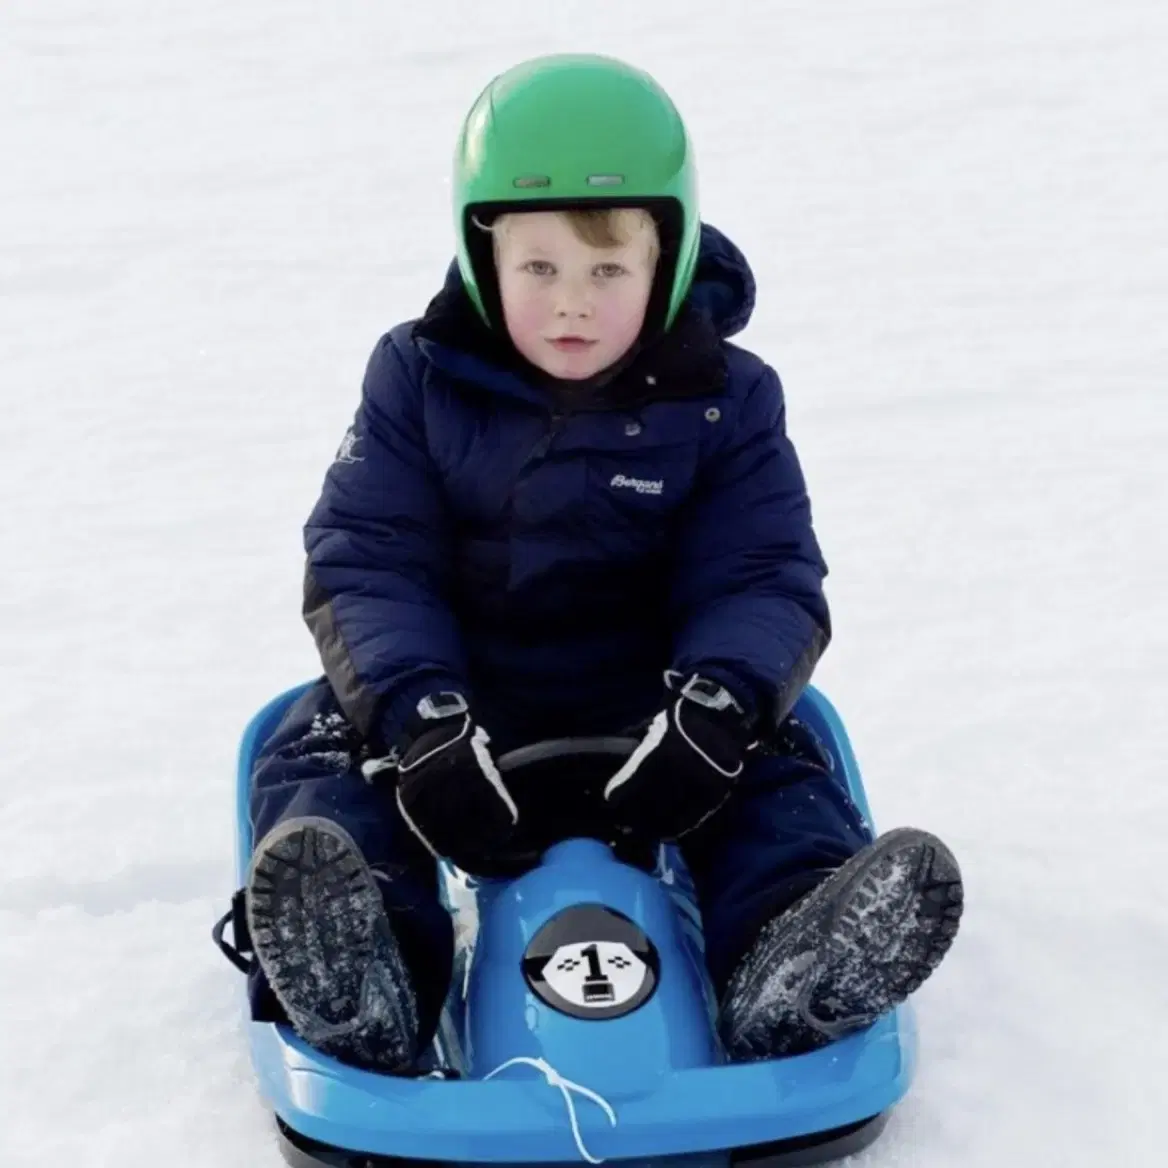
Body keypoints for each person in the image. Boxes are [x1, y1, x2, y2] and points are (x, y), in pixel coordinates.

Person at [214, 53, 963, 1074]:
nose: (573, 303)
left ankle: (793, 952)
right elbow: (368, 558)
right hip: (461, 705)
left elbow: (762, 571)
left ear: (668, 259)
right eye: (539, 270)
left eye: (607, 270)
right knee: (313, 756)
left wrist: (718, 708)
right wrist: (418, 714)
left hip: (657, 714)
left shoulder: (725, 399)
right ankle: (368, 966)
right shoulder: (415, 376)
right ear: (484, 261)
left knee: (784, 777)